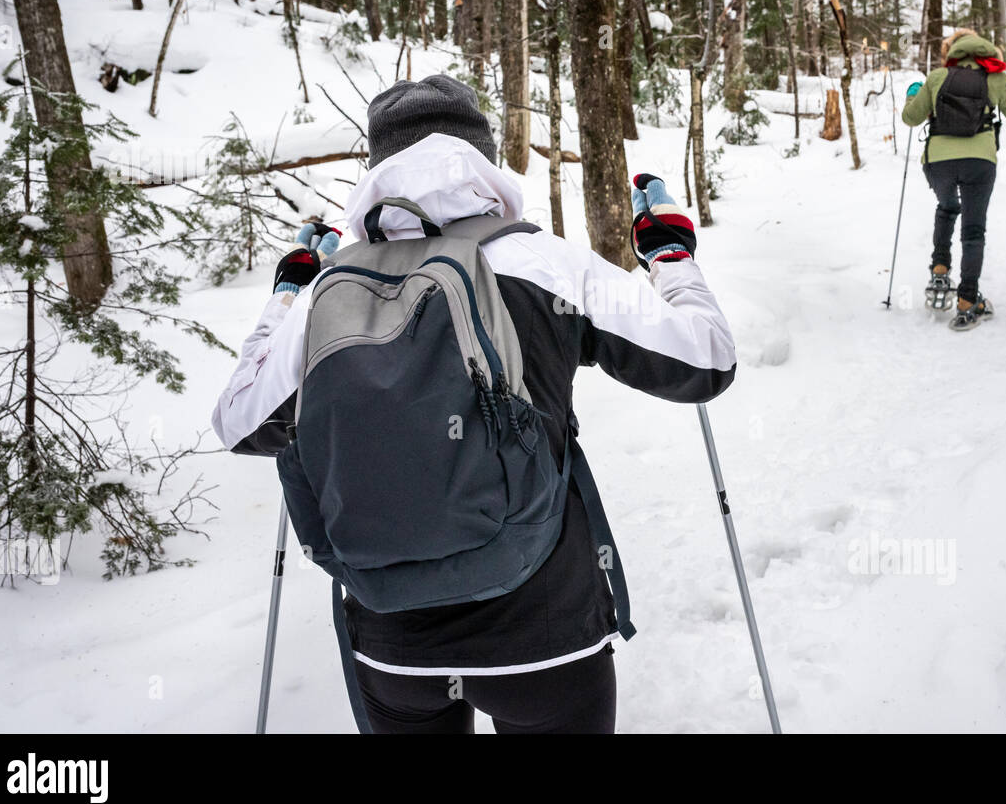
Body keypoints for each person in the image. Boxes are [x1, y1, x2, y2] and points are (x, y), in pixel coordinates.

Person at [210, 74, 736, 733]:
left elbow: (239, 420)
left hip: (392, 643)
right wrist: (668, 253)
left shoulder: (333, 293)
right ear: (483, 159)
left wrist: (290, 290)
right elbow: (705, 360)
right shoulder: (544, 262)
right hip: (544, 631)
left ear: (379, 168)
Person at [901, 28, 1006, 331]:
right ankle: (967, 302)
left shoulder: (937, 77)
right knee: (973, 230)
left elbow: (911, 118)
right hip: (979, 162)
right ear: (985, 49)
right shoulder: (996, 78)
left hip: (938, 163)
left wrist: (912, 94)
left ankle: (939, 270)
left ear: (953, 50)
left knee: (947, 208)